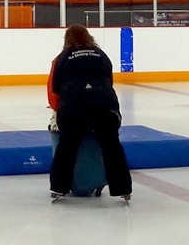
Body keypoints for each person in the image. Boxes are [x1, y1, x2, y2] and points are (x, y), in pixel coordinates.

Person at [46, 24, 132, 203]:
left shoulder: (63, 57)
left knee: (67, 145)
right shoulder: (101, 55)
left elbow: (55, 88)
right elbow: (109, 81)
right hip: (104, 105)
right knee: (111, 145)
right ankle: (124, 190)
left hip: (74, 107)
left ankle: (58, 188)